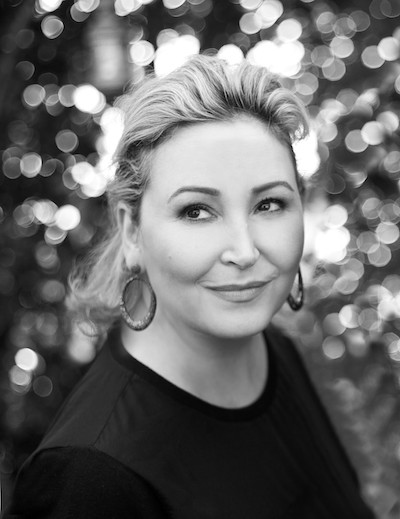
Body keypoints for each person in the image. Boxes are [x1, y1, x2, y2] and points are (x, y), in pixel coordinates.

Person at [3, 55, 375, 519]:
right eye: (196, 211)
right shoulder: (89, 478)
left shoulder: (273, 347)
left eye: (269, 204)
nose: (244, 251)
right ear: (132, 231)